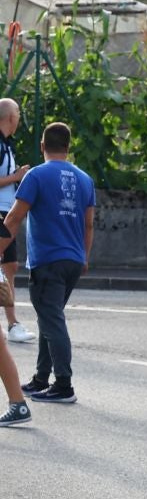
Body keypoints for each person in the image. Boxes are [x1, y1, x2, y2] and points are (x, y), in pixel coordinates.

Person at [8, 122, 94, 405]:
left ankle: (64, 385)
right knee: (49, 317)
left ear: (43, 146)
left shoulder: (36, 175)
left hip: (48, 260)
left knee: (52, 320)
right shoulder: (84, 179)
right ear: (68, 148)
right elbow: (89, 224)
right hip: (73, 259)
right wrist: (84, 256)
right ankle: (41, 378)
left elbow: (15, 217)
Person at [0, 98, 32, 344]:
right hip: (0, 213)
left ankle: (13, 324)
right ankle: (13, 324)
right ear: (10, 117)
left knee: (10, 266)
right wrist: (16, 177)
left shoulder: (6, 144)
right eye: (18, 112)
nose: (20, 117)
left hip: (6, 212)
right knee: (8, 266)